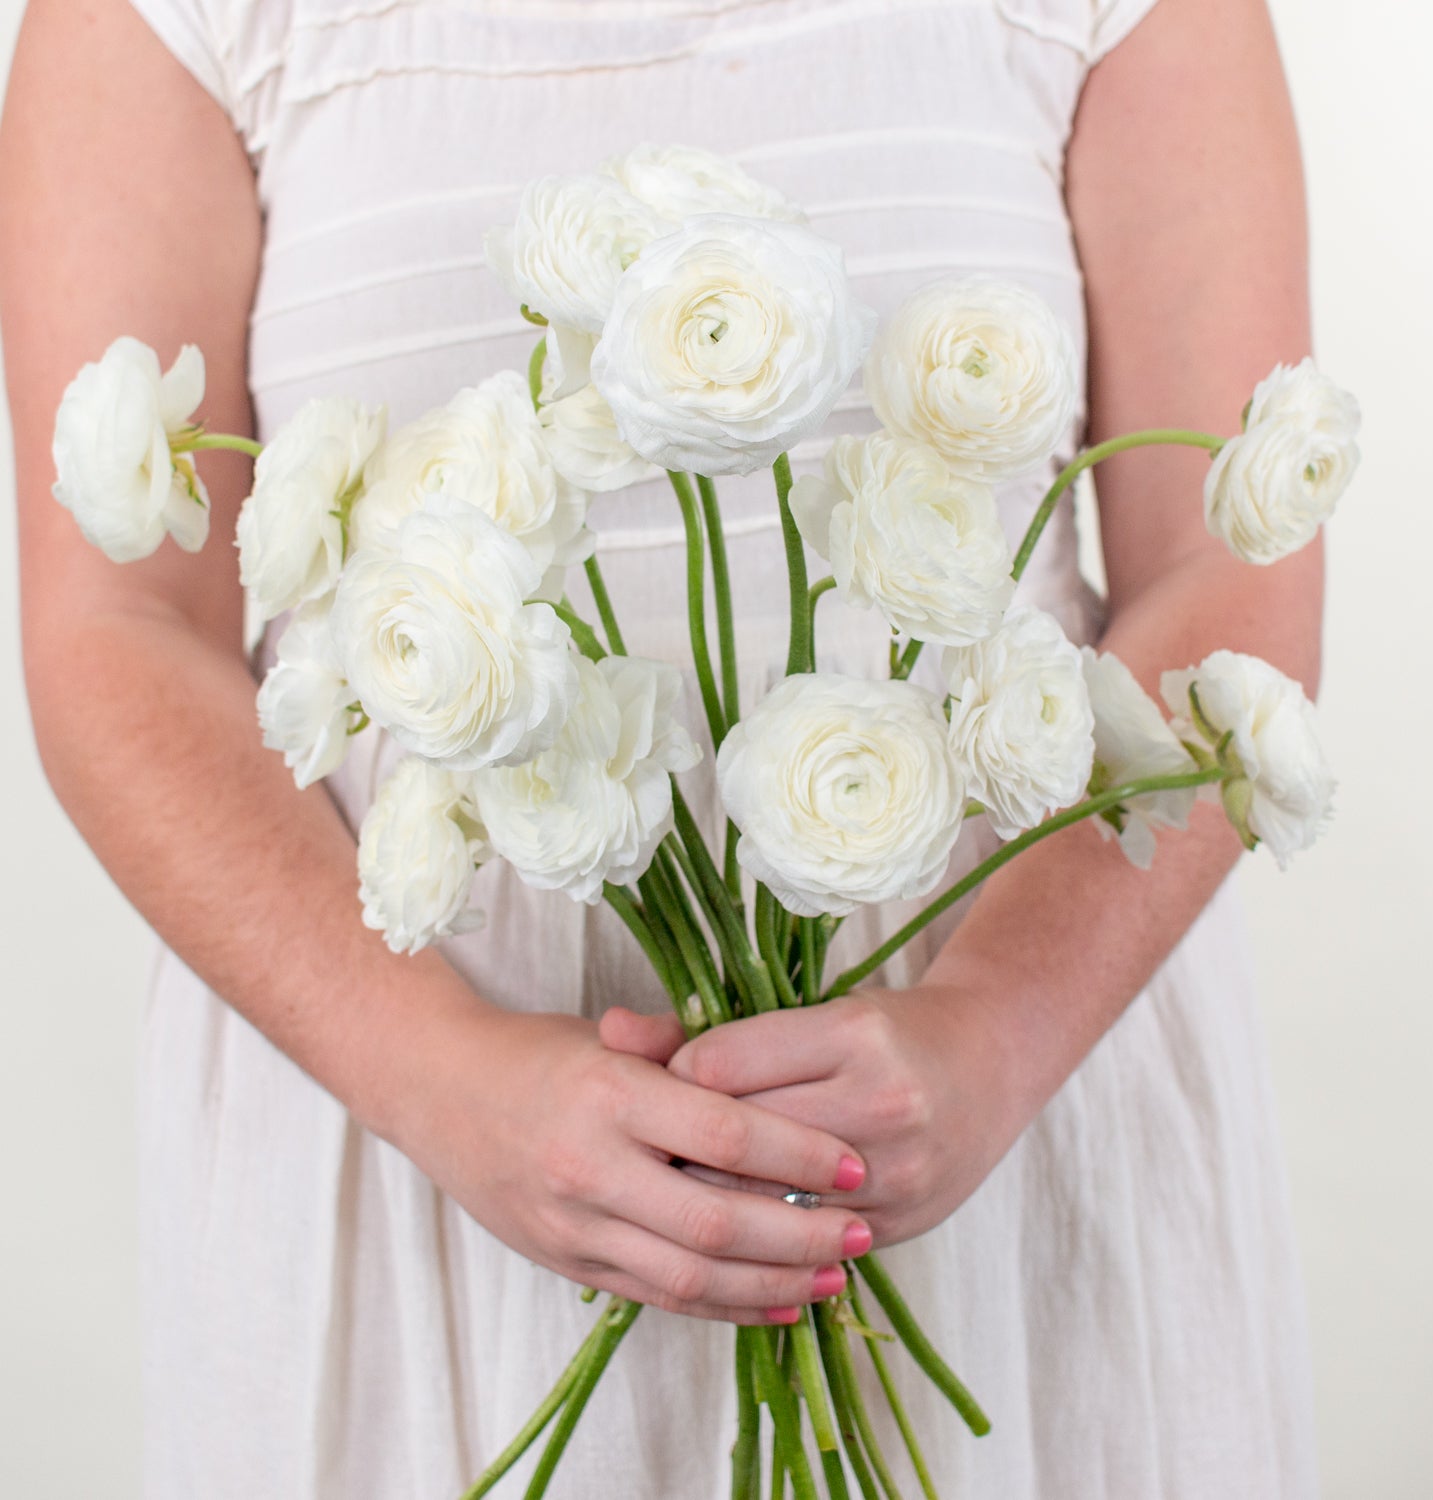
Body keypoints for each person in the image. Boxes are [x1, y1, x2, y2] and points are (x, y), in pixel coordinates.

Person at [0, 0, 1323, 1494]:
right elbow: (120, 631)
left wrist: (994, 1031)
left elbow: (1227, 575)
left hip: (996, 1105)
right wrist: (440, 1076)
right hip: (421, 1134)